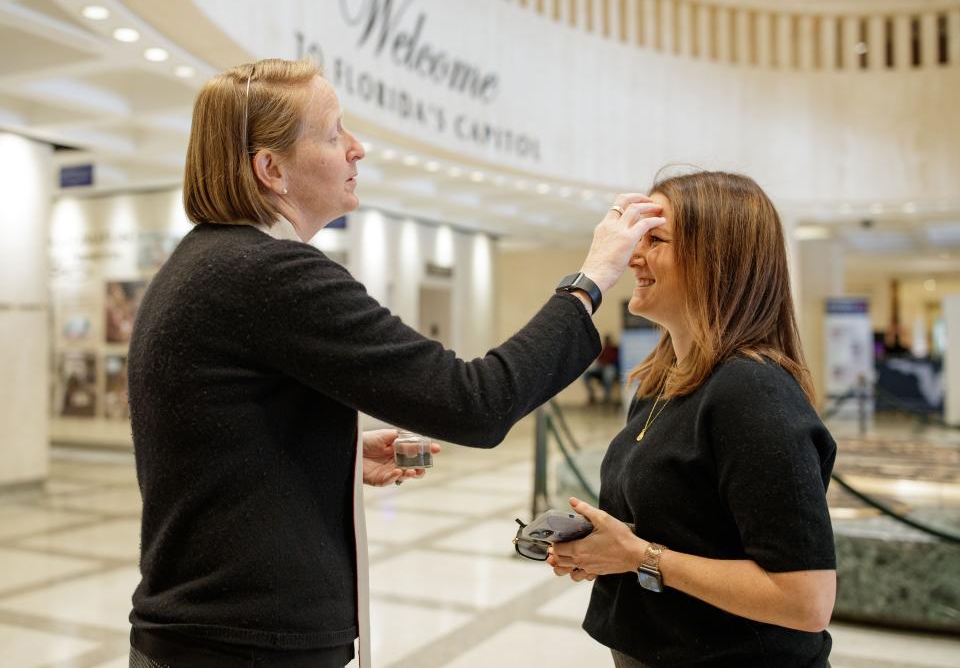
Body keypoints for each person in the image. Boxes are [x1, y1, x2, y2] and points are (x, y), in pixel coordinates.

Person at [125, 58, 666, 668]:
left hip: (200, 637)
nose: (358, 148)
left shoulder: (203, 262)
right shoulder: (268, 273)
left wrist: (336, 451)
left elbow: (207, 441)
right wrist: (589, 282)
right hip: (244, 645)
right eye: (333, 134)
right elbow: (475, 402)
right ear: (270, 169)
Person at [547, 172, 837, 668]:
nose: (632, 255)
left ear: (716, 260)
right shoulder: (663, 380)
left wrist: (639, 556)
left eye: (653, 240)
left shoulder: (752, 391)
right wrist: (603, 549)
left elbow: (805, 599)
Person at [583, 333, 620, 404]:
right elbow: (599, 360)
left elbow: (617, 362)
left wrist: (608, 364)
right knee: (586, 374)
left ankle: (607, 397)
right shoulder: (603, 350)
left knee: (608, 373)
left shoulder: (615, 349)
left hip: (611, 368)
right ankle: (591, 394)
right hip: (601, 368)